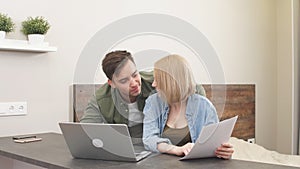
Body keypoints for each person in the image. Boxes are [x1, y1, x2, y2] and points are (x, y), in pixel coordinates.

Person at [80, 50, 206, 144]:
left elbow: (194, 88)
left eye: (135, 75)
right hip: (128, 150)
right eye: (124, 81)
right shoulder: (101, 99)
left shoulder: (155, 81)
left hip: (157, 148)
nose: (134, 83)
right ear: (111, 83)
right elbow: (84, 131)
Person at [142, 54, 234, 159]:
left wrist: (224, 152)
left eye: (157, 80)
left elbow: (213, 146)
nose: (153, 84)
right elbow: (149, 139)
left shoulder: (204, 107)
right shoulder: (153, 102)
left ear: (171, 83)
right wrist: (177, 150)